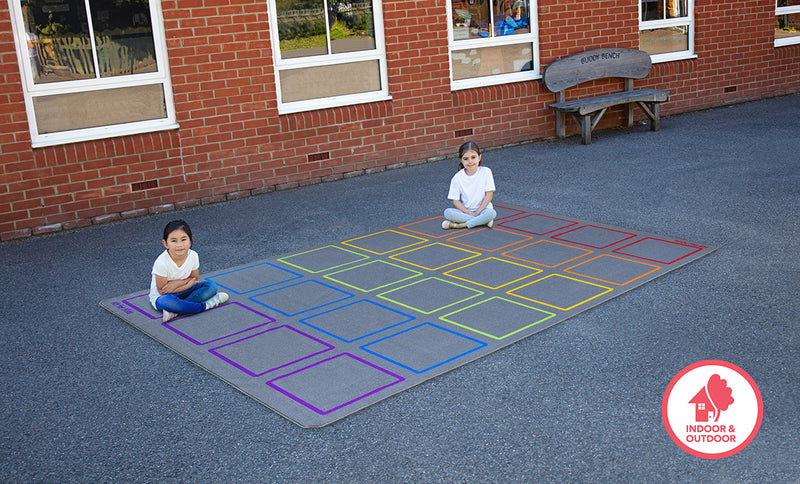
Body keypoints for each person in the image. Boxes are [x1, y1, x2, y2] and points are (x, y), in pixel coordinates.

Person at [149, 220, 228, 322]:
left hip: (185, 290)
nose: (179, 245)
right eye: (173, 241)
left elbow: (194, 279)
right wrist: (186, 284)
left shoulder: (193, 255)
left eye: (183, 239)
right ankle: (206, 305)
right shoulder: (161, 262)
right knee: (168, 302)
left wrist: (175, 284)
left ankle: (176, 310)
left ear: (190, 241)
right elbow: (162, 291)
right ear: (165, 244)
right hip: (164, 297)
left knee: (211, 286)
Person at [442, 141, 497, 229]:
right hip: (466, 212)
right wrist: (468, 212)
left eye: (473, 157)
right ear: (461, 160)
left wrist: (478, 211)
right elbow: (455, 200)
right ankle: (482, 221)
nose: (470, 161)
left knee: (492, 213)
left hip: (484, 210)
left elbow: (489, 194)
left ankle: (461, 225)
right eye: (466, 158)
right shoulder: (457, 177)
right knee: (448, 213)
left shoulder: (486, 172)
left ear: (479, 157)